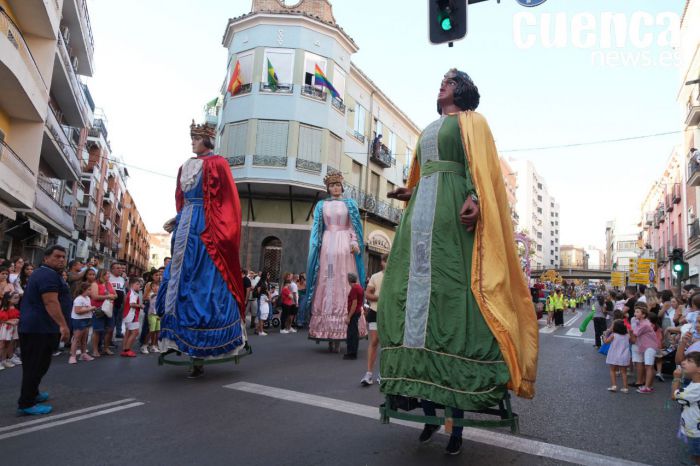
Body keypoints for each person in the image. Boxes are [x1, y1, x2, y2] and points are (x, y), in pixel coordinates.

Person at [379, 69, 538, 456]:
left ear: (461, 91)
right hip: (420, 219)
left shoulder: (473, 122)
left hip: (452, 216)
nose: (441, 85)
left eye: (448, 81)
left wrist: (477, 199)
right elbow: (423, 170)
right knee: (409, 301)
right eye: (441, 81)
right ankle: (429, 412)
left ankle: (456, 427)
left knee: (453, 301)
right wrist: (411, 190)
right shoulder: (430, 127)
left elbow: (481, 171)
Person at [155, 120, 247, 379]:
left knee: (205, 280)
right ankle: (180, 337)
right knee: (181, 279)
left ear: (207, 140)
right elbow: (182, 199)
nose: (193, 142)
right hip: (186, 225)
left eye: (196, 138)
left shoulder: (219, 163)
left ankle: (206, 343)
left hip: (208, 228)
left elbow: (228, 201)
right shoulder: (184, 166)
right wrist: (177, 218)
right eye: (192, 138)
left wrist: (221, 232)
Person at [303, 171, 365, 353]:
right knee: (327, 278)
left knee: (344, 281)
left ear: (342, 187)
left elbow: (354, 227)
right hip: (328, 247)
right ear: (328, 188)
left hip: (344, 246)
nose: (336, 188)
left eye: (338, 185)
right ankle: (327, 331)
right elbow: (317, 229)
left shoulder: (350, 204)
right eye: (332, 185)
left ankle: (342, 329)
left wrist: (354, 242)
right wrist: (317, 245)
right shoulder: (321, 205)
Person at [16, 245, 71, 415]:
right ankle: (26, 403)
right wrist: (63, 325)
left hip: (41, 328)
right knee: (35, 366)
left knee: (40, 365)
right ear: (46, 258)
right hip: (38, 328)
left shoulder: (48, 273)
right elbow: (50, 302)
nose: (61, 259)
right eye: (57, 256)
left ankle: (33, 393)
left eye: (64, 256)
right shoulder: (47, 274)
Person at [361, 253, 386, 386]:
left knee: (387, 344)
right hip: (375, 312)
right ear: (382, 262)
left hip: (390, 314)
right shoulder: (376, 276)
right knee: (374, 341)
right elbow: (368, 293)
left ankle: (383, 374)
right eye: (384, 261)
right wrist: (380, 297)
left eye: (389, 260)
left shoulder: (397, 276)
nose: (386, 263)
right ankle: (369, 374)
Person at [673, 352, 700, 465]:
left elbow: (674, 395)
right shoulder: (694, 383)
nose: (683, 363)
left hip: (696, 431)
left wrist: (676, 379)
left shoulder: (696, 388)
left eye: (689, 361)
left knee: (697, 454)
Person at [631, 303, 658, 393]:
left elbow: (634, 335)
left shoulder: (644, 324)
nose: (635, 313)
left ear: (643, 315)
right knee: (649, 367)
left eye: (637, 312)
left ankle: (647, 387)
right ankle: (649, 385)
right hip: (648, 346)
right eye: (635, 311)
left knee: (648, 366)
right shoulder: (641, 322)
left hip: (650, 347)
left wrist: (628, 329)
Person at [90, 269, 116, 358]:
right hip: (99, 310)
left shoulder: (109, 284)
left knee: (110, 329)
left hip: (109, 309)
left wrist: (112, 296)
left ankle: (106, 348)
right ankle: (95, 350)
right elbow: (94, 296)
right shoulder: (95, 284)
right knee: (97, 330)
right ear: (102, 275)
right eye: (107, 274)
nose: (109, 276)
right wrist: (108, 296)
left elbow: (115, 295)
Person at [68, 283, 95, 365]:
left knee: (84, 338)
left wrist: (91, 309)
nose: (91, 291)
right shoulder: (79, 299)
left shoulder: (87, 298)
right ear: (83, 290)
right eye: (89, 289)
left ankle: (83, 354)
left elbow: (87, 308)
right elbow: (78, 311)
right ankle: (72, 356)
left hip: (86, 319)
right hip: (79, 320)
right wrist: (90, 308)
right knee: (76, 339)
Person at [603, 319, 630, 393]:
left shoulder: (613, 335)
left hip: (614, 355)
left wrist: (605, 335)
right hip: (624, 355)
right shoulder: (627, 335)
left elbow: (606, 342)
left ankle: (614, 386)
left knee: (612, 370)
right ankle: (625, 388)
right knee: (624, 372)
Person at [121, 278, 143, 357]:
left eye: (139, 284)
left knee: (128, 332)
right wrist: (141, 306)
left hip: (128, 315)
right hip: (132, 315)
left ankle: (125, 349)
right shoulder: (132, 293)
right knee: (135, 332)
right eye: (137, 284)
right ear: (131, 285)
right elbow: (132, 304)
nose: (139, 285)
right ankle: (127, 350)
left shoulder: (131, 292)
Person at [344, 273, 364, 360]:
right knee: (354, 333)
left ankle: (351, 353)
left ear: (349, 280)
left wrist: (349, 316)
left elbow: (354, 303)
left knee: (351, 334)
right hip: (357, 311)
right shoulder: (359, 287)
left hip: (354, 313)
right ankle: (352, 352)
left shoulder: (354, 289)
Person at [0, 291, 21, 368]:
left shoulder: (14, 307)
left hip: (12, 327)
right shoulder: (4, 308)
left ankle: (7, 359)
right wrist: (8, 321)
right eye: (15, 298)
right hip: (6, 328)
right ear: (9, 299)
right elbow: (2, 318)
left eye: (18, 297)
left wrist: (17, 319)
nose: (17, 299)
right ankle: (1, 360)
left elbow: (16, 315)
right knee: (3, 344)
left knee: (11, 343)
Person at [108, 262, 126, 340]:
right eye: (117, 268)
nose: (120, 270)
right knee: (109, 324)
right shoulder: (108, 278)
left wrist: (124, 304)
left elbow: (123, 291)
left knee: (116, 322)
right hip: (110, 304)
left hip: (120, 304)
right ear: (112, 269)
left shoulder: (122, 279)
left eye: (121, 268)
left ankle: (110, 340)